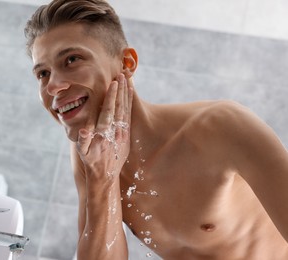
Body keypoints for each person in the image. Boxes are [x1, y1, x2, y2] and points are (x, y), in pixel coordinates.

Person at [24, 0, 288, 259]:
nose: (53, 86)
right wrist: (102, 179)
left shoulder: (225, 126)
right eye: (43, 73)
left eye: (72, 59)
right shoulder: (91, 154)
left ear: (127, 63)